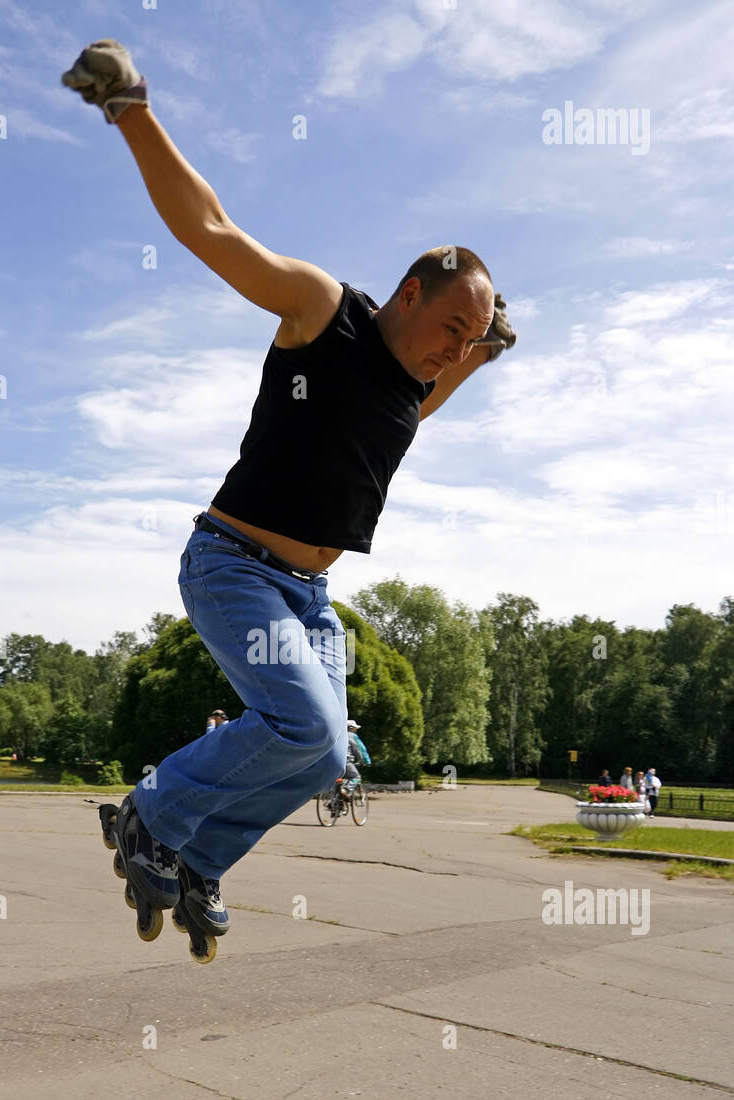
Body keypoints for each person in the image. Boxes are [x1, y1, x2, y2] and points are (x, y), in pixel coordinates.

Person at [63, 40, 516, 959]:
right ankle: (151, 814)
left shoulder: (418, 391)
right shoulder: (323, 311)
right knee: (304, 724)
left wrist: (489, 343)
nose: (451, 349)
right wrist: (132, 108)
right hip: (235, 566)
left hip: (312, 600)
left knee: (327, 754)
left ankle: (199, 858)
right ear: (407, 292)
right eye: (448, 328)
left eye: (467, 340)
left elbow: (457, 366)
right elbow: (214, 231)